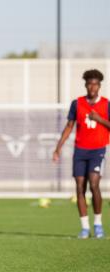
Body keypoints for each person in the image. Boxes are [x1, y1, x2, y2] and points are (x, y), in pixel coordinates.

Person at [53, 69, 109, 239]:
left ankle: (98, 224)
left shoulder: (106, 104)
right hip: (80, 150)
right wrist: (58, 147)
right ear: (85, 85)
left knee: (94, 184)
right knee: (79, 186)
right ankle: (84, 227)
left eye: (95, 84)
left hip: (98, 149)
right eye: (89, 83)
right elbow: (69, 126)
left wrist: (99, 119)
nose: (92, 87)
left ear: (99, 86)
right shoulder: (77, 103)